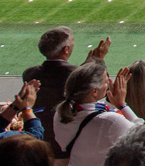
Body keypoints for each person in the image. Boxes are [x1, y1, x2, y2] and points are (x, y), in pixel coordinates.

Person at [55, 61, 143, 166]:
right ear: (94, 91)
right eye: (106, 82)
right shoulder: (110, 122)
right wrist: (122, 105)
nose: (109, 85)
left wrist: (112, 104)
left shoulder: (61, 113)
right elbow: (144, 134)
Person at [24, 28, 110, 156]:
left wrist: (87, 65)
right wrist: (98, 61)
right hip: (66, 143)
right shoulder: (71, 73)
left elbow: (64, 77)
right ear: (66, 49)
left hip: (40, 141)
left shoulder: (29, 73)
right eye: (73, 41)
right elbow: (98, 87)